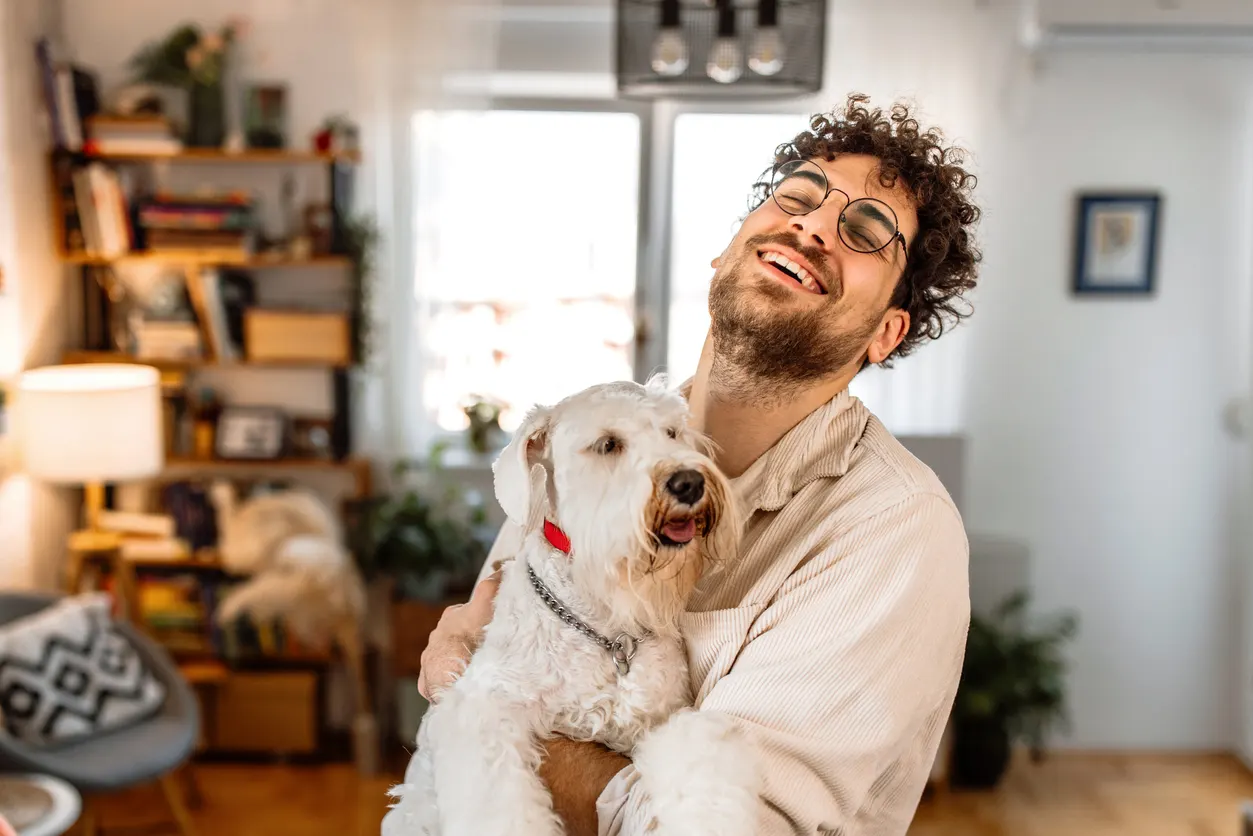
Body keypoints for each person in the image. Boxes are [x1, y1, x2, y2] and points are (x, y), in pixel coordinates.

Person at [416, 92, 981, 836]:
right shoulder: (586, 442)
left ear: (885, 333)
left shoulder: (894, 532)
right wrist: (468, 648)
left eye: (865, 231)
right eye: (797, 197)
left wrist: (482, 722)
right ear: (726, 250)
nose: (813, 225)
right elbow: (502, 616)